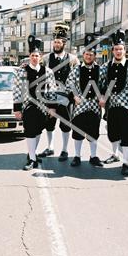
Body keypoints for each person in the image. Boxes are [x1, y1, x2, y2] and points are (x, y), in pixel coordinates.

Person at [101, 29, 128, 176]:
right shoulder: (106, 67)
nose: (118, 51)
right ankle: (115, 154)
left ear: (125, 50)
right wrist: (102, 97)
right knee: (112, 133)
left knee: (126, 134)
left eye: (121, 49)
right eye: (116, 49)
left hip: (127, 106)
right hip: (111, 107)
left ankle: (125, 162)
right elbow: (101, 84)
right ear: (112, 50)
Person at [13, 35, 57, 170]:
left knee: (38, 131)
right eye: (32, 55)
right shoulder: (22, 71)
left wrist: (52, 108)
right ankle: (32, 159)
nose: (34, 58)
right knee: (30, 131)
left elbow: (52, 90)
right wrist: (17, 108)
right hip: (28, 107)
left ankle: (32, 155)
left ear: (41, 56)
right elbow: (17, 90)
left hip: (43, 108)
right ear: (29, 56)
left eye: (37, 55)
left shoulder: (48, 72)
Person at [38, 22, 80, 162]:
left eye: (58, 42)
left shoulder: (73, 60)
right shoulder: (45, 59)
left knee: (65, 125)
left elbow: (77, 78)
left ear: (64, 43)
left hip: (66, 99)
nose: (56, 44)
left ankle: (64, 150)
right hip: (50, 97)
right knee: (49, 124)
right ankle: (50, 147)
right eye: (54, 42)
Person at [65, 34, 106, 167]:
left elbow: (105, 86)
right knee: (77, 132)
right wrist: (74, 96)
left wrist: (103, 97)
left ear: (95, 56)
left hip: (94, 106)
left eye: (91, 54)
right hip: (80, 106)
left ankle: (93, 157)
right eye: (87, 54)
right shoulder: (76, 69)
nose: (89, 57)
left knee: (94, 132)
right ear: (84, 55)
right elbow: (69, 84)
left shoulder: (100, 70)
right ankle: (77, 156)